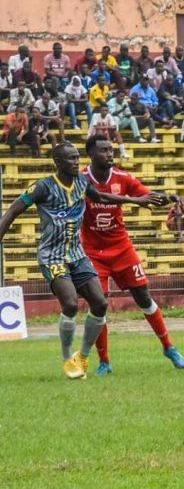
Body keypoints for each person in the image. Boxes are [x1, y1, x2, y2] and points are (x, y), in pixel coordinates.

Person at [0, 142, 163, 379]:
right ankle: (67, 357)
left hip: (77, 255)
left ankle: (83, 356)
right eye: (71, 159)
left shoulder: (82, 183)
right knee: (71, 303)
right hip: (53, 256)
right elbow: (13, 211)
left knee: (100, 303)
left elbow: (102, 197)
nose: (76, 162)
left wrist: (135, 201)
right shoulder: (42, 187)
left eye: (77, 157)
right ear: (58, 163)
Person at [82, 135, 184, 374]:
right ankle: (104, 362)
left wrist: (170, 197)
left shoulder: (123, 177)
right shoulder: (80, 178)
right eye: (104, 150)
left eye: (111, 149)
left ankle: (169, 347)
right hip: (92, 252)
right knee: (99, 305)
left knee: (143, 296)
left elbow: (147, 197)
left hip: (121, 247)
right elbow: (100, 197)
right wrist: (135, 200)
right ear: (91, 154)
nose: (110, 154)